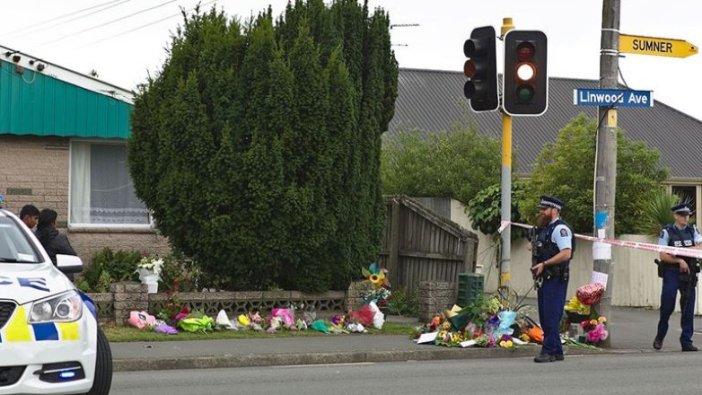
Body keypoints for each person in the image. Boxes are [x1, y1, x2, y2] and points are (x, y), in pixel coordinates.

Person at [530, 195, 574, 363]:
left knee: (551, 315)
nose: (541, 212)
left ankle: (548, 351)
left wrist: (545, 264)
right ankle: (556, 350)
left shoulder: (560, 229)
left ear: (554, 210)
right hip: (546, 278)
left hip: (555, 278)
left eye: (544, 209)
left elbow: (566, 253)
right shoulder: (547, 228)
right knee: (545, 314)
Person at [653, 203, 701, 352]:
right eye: (682, 215)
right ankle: (660, 336)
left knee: (688, 308)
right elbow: (663, 255)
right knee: (667, 307)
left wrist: (678, 251)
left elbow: (698, 248)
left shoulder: (693, 230)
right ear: (675, 215)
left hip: (688, 274)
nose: (685, 217)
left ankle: (686, 341)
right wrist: (679, 260)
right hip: (672, 272)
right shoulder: (667, 232)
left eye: (687, 215)